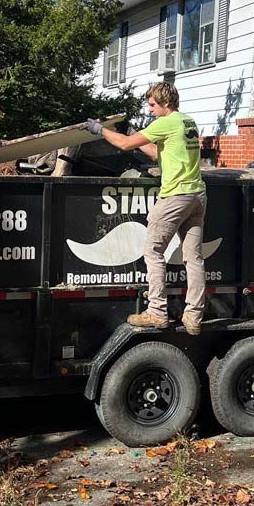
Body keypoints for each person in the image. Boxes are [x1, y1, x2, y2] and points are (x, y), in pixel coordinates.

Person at [83, 82, 206, 335]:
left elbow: (126, 145)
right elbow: (154, 153)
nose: (149, 110)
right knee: (193, 258)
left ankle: (157, 312)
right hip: (197, 194)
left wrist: (100, 130)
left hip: (176, 195)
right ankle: (194, 315)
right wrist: (134, 133)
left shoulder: (166, 122)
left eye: (152, 105)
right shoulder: (186, 122)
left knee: (152, 251)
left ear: (166, 104)